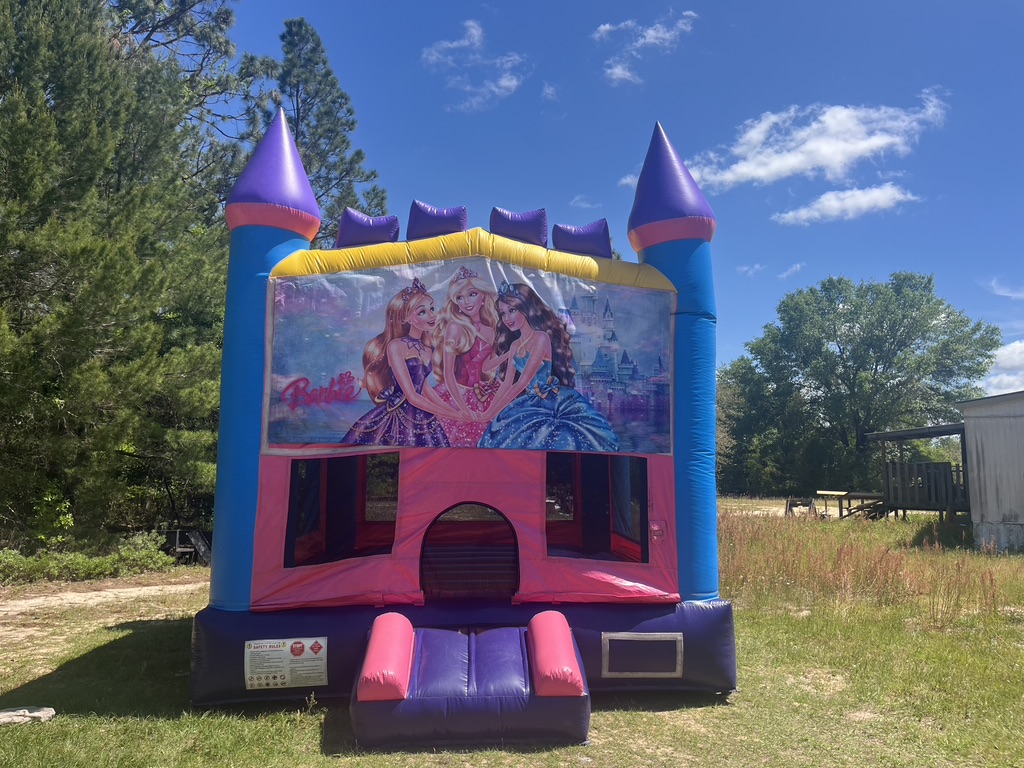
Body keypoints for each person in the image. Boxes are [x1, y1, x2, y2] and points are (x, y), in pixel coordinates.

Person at [478, 281, 618, 452]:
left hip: (551, 402)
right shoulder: (515, 345)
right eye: (503, 313)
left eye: (512, 310)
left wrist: (491, 412)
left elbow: (522, 382)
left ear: (526, 308)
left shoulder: (541, 338)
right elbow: (507, 384)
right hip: (527, 401)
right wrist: (490, 412)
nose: (507, 318)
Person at [341, 279, 463, 447]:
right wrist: (449, 414)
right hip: (399, 414)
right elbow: (412, 395)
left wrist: (451, 410)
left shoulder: (428, 347)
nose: (432, 315)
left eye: (432, 308)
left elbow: (425, 388)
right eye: (422, 312)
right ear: (406, 318)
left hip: (423, 413)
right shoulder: (396, 346)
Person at [431, 266, 500, 446]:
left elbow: (488, 368)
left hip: (486, 395)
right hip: (456, 395)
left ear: (483, 296)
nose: (466, 302)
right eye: (459, 298)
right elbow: (448, 374)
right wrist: (463, 408)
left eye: (471, 294)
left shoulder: (492, 329)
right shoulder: (454, 327)